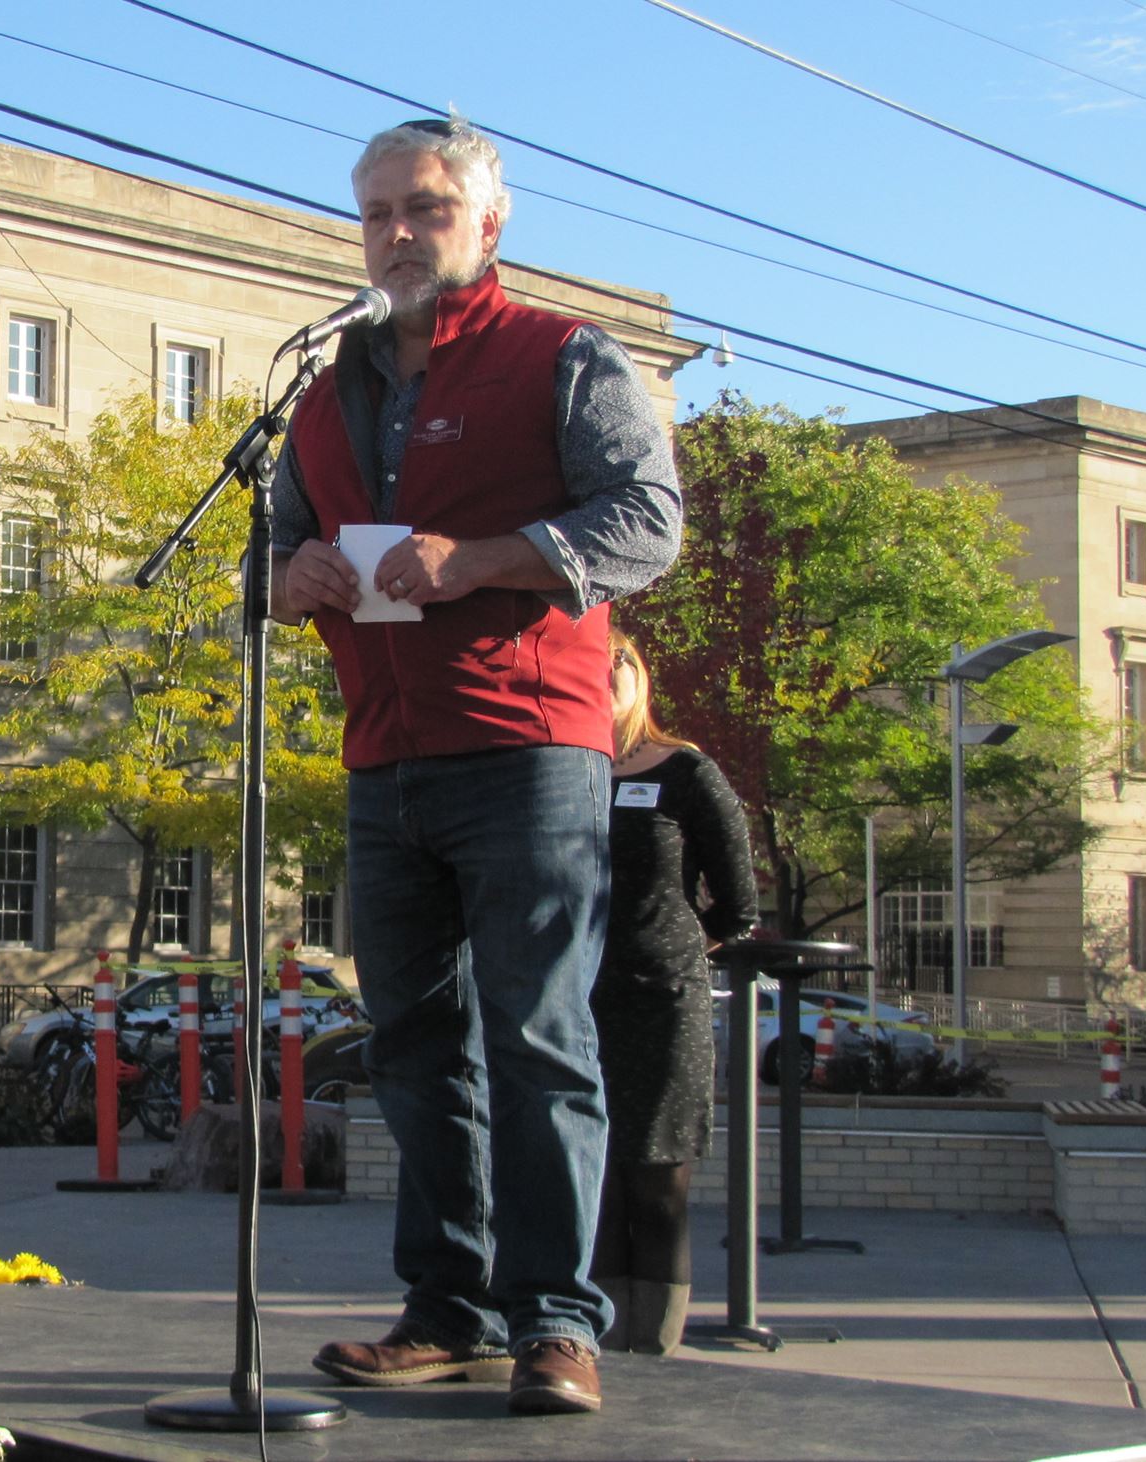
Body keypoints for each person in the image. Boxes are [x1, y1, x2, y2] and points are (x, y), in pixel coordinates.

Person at [277, 116, 683, 1416]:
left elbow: (650, 523)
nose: (399, 231)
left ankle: (557, 1322)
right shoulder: (320, 393)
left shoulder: (563, 359)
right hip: (382, 757)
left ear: (488, 224)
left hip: (527, 752)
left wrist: (482, 556)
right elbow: (267, 557)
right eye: (379, 211)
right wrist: (291, 577)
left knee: (538, 1036)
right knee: (411, 1044)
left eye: (427, 208)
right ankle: (443, 1310)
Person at [591, 629, 757, 1356]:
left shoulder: (686, 772)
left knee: (657, 1181)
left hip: (663, 1003)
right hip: (576, 1003)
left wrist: (673, 947)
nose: (606, 671)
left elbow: (737, 906)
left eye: (619, 659)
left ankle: (652, 1347)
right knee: (591, 1182)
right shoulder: (561, 771)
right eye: (590, 661)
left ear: (641, 676)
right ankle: (590, 1338)